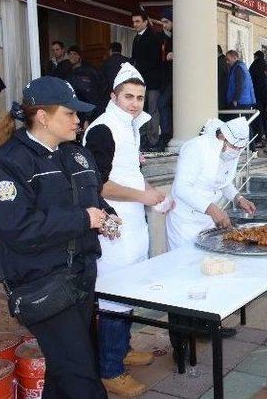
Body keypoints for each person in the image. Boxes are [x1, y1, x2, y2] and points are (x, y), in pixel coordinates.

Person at [0, 76, 116, 398]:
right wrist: (83, 219)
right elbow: (19, 228)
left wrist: (107, 216)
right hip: (41, 284)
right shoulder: (7, 163)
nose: (78, 120)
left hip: (80, 275)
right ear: (42, 116)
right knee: (82, 376)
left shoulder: (75, 154)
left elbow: (92, 199)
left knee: (64, 372)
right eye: (69, 113)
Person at [83, 63, 165, 397]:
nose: (134, 103)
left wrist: (151, 193)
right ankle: (111, 370)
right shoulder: (103, 129)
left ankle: (124, 349)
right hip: (114, 227)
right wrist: (142, 195)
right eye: (128, 97)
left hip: (133, 224)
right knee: (114, 296)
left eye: (140, 97)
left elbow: (128, 171)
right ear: (113, 96)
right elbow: (96, 185)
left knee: (130, 288)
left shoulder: (129, 127)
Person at [165, 117, 256, 358]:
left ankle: (206, 325)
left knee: (207, 274)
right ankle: (180, 342)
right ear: (222, 138)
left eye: (240, 149)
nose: (236, 152)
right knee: (184, 279)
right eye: (234, 147)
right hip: (184, 221)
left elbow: (224, 182)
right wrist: (214, 209)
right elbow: (182, 188)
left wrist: (238, 198)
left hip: (206, 219)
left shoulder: (230, 153)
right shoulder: (196, 148)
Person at [131, 9, 162, 150]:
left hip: (152, 81)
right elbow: (135, 58)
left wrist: (138, 68)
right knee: (141, 110)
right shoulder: (136, 38)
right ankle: (143, 138)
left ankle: (153, 140)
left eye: (137, 21)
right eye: (133, 22)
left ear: (145, 22)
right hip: (141, 81)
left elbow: (154, 60)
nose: (135, 24)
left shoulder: (153, 37)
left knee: (152, 110)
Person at [225, 50, 257, 150]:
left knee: (243, 125)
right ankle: (250, 147)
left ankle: (250, 148)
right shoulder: (241, 67)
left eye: (228, 59)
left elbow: (240, 84)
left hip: (241, 102)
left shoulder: (238, 68)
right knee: (245, 124)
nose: (227, 62)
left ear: (235, 57)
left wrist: (235, 99)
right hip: (245, 101)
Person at [65, 45, 104, 127]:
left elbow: (92, 96)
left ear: (79, 56)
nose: (72, 56)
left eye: (74, 54)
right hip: (74, 109)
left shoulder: (88, 71)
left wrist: (87, 118)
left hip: (87, 111)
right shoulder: (67, 70)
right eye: (70, 54)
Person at [154, 7, 174, 151]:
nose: (164, 25)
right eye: (162, 22)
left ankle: (166, 135)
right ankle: (166, 134)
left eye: (166, 22)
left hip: (173, 80)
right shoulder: (164, 37)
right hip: (166, 80)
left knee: (162, 104)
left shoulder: (177, 36)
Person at [249, 50, 267, 145]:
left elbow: (250, 80)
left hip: (256, 97)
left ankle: (258, 139)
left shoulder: (254, 66)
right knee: (264, 117)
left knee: (256, 118)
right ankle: (265, 137)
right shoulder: (266, 66)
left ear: (256, 56)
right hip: (265, 97)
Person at [217, 45, 230, 109]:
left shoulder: (220, 62)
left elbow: (218, 78)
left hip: (221, 93)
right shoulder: (225, 61)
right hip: (226, 93)